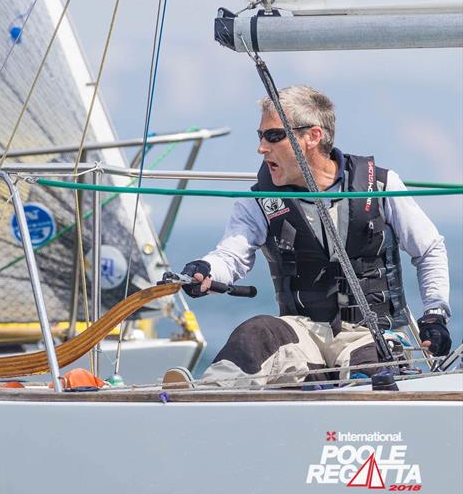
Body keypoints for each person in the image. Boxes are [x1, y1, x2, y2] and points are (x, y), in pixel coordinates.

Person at [182, 85, 452, 387]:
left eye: (273, 136)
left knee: (372, 369)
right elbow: (230, 256)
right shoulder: (258, 201)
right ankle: (197, 398)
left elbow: (429, 249)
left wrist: (435, 314)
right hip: (302, 332)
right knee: (255, 334)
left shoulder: (380, 185)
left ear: (313, 136)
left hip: (370, 332)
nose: (261, 148)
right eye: (260, 136)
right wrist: (204, 270)